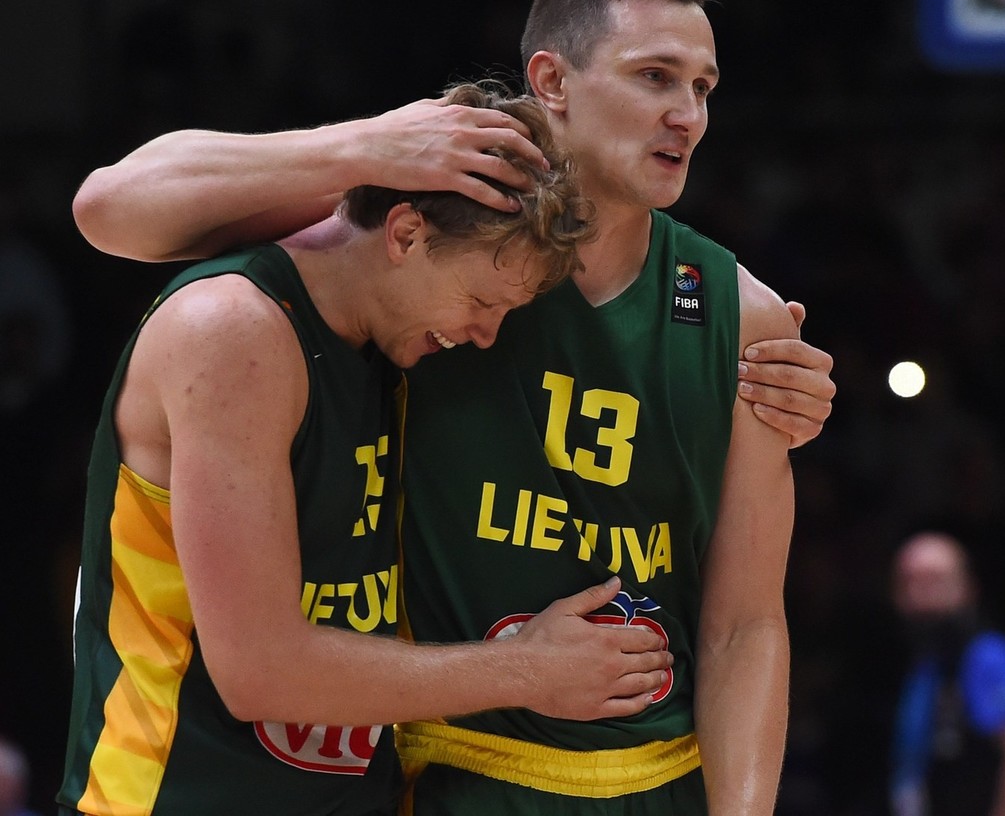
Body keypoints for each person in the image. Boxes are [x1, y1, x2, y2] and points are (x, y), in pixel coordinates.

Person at [70, 0, 836, 815]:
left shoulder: (741, 317)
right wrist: (362, 146)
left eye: (703, 88)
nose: (686, 114)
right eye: (655, 76)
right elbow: (107, 209)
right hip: (431, 771)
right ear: (552, 80)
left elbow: (746, 626)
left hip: (637, 777)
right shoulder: (413, 235)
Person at [59, 84, 677, 816]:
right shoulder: (234, 328)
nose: (484, 335)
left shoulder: (392, 331)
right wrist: (528, 671)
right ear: (406, 235)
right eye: (483, 303)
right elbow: (261, 671)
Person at [890, 530, 1005, 816]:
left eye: (935, 580)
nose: (921, 594)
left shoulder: (989, 656)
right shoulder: (924, 666)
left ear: (967, 587)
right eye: (909, 581)